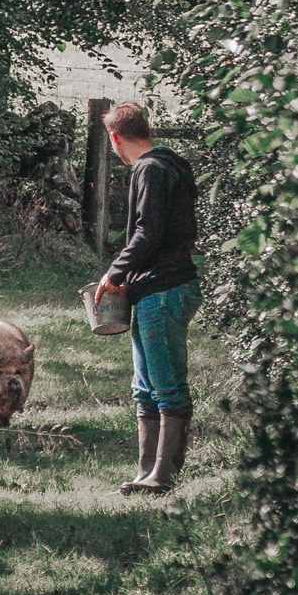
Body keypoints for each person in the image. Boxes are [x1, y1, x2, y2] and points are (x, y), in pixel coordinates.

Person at [93, 101, 202, 495]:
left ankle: (165, 475)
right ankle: (145, 472)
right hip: (158, 288)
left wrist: (115, 272)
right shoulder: (170, 164)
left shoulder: (149, 169)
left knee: (168, 385)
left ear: (115, 137)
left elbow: (147, 232)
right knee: (145, 387)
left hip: (165, 289)